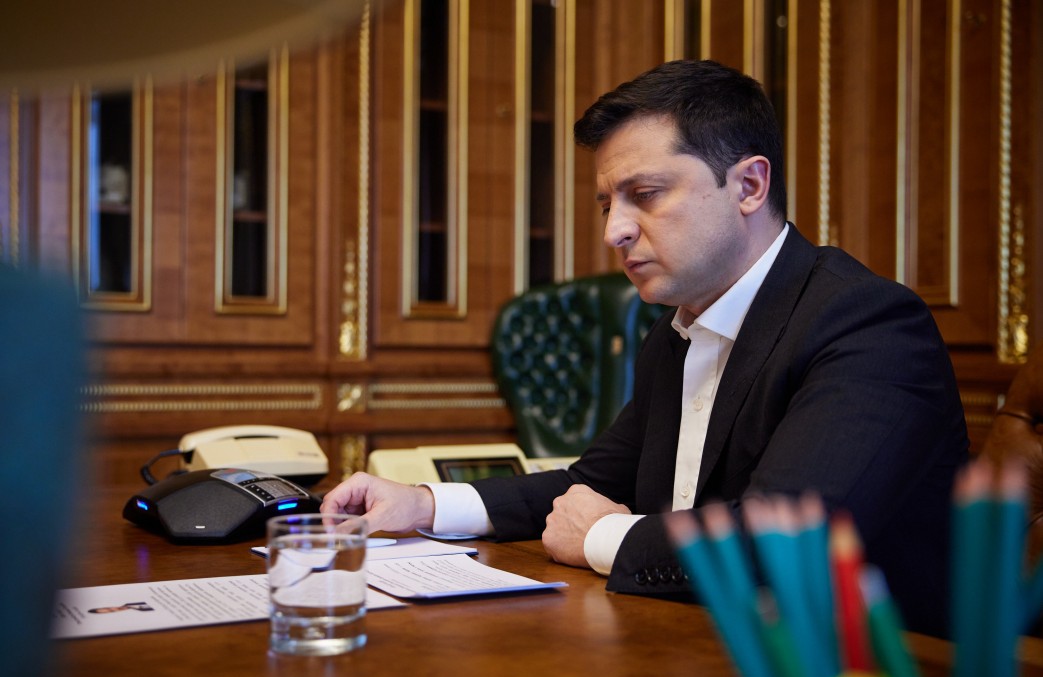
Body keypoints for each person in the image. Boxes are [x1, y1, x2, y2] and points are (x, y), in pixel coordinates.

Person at [322, 59, 968, 637]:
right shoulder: (676, 330)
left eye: (646, 195)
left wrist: (603, 536)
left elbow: (783, 541)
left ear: (748, 185)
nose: (614, 230)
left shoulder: (867, 321)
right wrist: (425, 503)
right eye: (606, 203)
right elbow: (590, 485)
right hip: (699, 641)